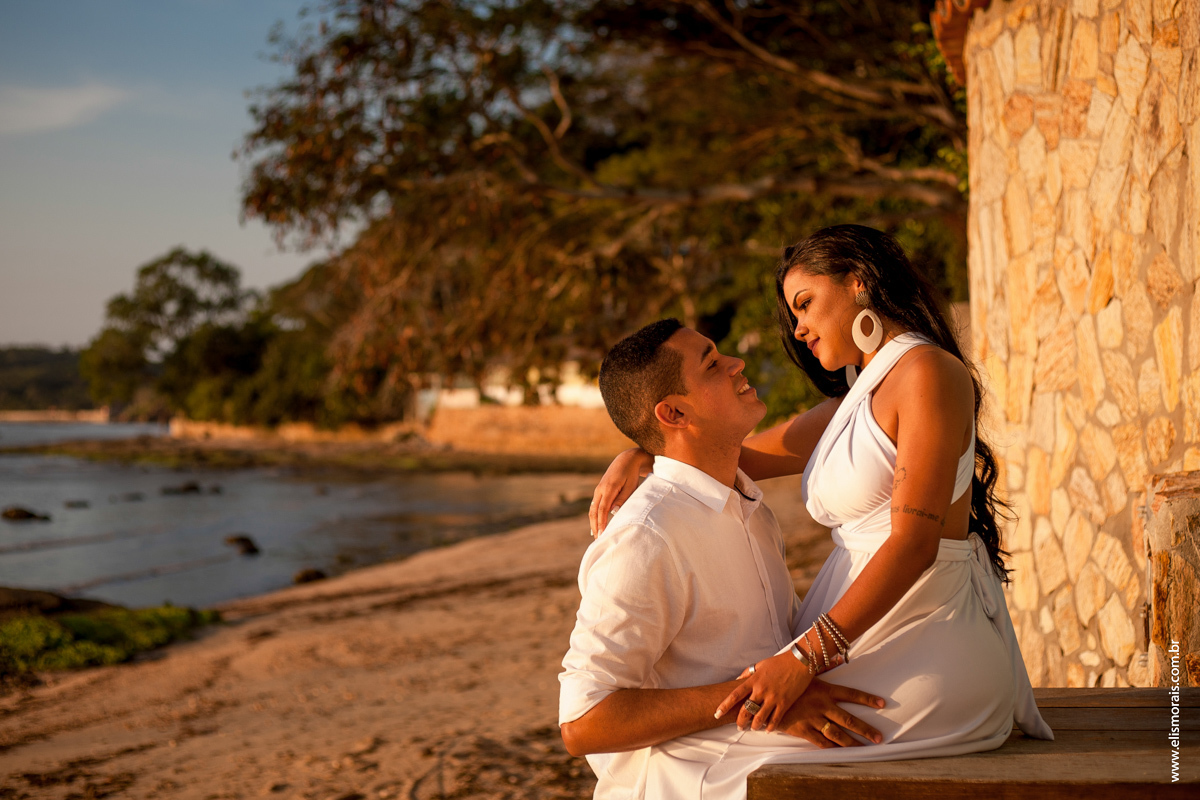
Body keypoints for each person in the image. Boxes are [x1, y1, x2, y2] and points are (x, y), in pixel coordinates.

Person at [583, 225, 1052, 798]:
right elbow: (728, 454)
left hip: (919, 645)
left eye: (805, 304)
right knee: (675, 750)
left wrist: (803, 659)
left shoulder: (926, 373)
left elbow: (913, 543)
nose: (798, 328)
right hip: (863, 644)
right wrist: (641, 448)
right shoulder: (858, 396)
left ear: (858, 282)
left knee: (673, 759)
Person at [559, 318, 888, 799]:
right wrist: (759, 700)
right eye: (712, 364)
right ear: (673, 412)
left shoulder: (743, 502)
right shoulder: (646, 537)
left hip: (764, 765)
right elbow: (584, 721)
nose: (736, 364)